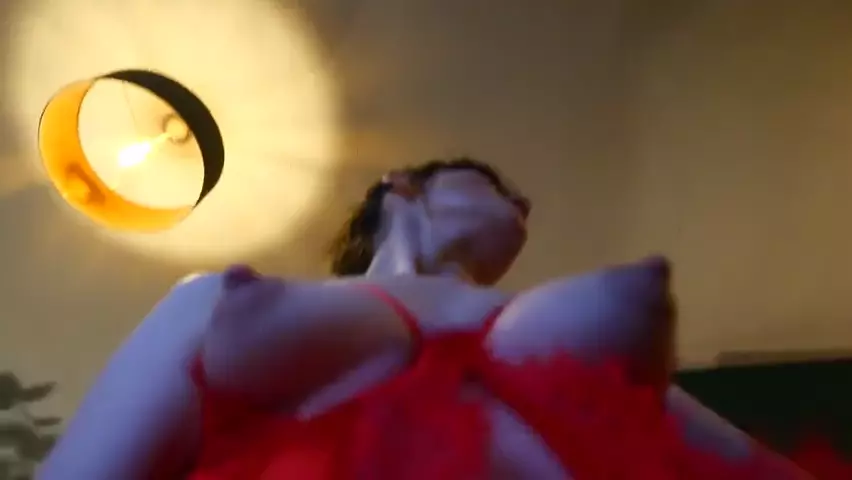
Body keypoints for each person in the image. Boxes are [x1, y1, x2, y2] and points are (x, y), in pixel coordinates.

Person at [39, 158, 809, 479]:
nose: (524, 204)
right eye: (493, 183)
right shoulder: (218, 300)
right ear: (401, 186)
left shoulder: (558, 330)